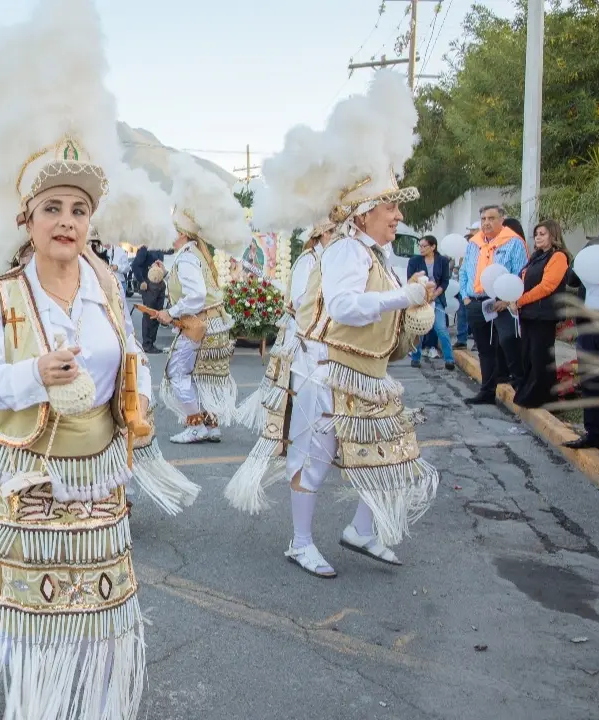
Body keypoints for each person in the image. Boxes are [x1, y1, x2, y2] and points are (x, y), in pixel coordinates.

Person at [0, 3, 158, 716]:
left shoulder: (107, 287)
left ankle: (88, 706)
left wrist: (137, 400)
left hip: (98, 473)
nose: (67, 222)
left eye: (78, 210)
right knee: (7, 607)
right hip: (22, 473)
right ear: (28, 219)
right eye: (53, 208)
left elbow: (129, 355)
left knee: (98, 610)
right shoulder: (1, 294)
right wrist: (34, 376)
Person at [224, 69, 439, 578]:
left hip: (364, 374)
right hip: (325, 373)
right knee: (313, 461)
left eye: (395, 207)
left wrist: (413, 300)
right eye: (389, 206)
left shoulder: (375, 254)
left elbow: (380, 309)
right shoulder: (345, 250)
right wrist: (405, 295)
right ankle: (300, 543)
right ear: (362, 214)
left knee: (388, 455)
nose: (397, 216)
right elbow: (343, 308)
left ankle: (361, 531)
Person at [156, 152, 247, 443]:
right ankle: (210, 425)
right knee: (200, 376)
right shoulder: (194, 254)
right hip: (212, 323)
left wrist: (171, 312)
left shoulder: (186, 258)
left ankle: (197, 426)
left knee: (177, 373)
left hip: (200, 324)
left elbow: (195, 296)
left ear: (182, 234)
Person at [232, 222, 335, 433]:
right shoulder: (308, 260)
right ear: (325, 233)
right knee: (301, 391)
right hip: (302, 334)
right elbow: (299, 300)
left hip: (314, 333)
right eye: (336, 234)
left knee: (312, 393)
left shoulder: (323, 258)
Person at [459, 205, 528, 404]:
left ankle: (521, 385)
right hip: (476, 302)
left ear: (501, 220)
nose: (486, 223)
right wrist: (465, 297)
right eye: (483, 219)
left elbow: (522, 273)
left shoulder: (514, 242)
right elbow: (464, 271)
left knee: (509, 341)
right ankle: (487, 392)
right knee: (485, 350)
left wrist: (507, 300)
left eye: (491, 218)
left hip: (502, 302)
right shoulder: (474, 243)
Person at [502, 220, 569, 408]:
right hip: (529, 314)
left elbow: (547, 286)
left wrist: (521, 300)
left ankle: (541, 397)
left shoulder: (558, 256)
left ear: (553, 235)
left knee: (540, 357)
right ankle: (531, 393)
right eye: (536, 234)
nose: (538, 238)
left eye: (542, 234)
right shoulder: (536, 257)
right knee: (528, 355)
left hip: (543, 315)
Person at [564, 268, 599, 452]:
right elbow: (571, 280)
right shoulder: (591, 252)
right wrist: (580, 262)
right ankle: (594, 434)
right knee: (590, 382)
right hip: (587, 326)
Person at [407, 235, 455, 370]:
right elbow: (410, 280)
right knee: (419, 328)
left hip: (437, 299)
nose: (421, 249)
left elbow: (445, 282)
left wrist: (435, 294)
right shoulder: (414, 261)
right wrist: (424, 295)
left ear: (433, 247)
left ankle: (449, 359)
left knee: (441, 328)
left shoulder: (442, 261)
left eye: (424, 246)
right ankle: (416, 357)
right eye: (420, 246)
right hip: (420, 299)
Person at [131, 243, 169, 352]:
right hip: (149, 285)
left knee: (157, 315)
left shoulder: (159, 247)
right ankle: (147, 344)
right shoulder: (145, 248)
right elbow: (135, 265)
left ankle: (151, 343)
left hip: (159, 284)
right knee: (149, 315)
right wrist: (141, 281)